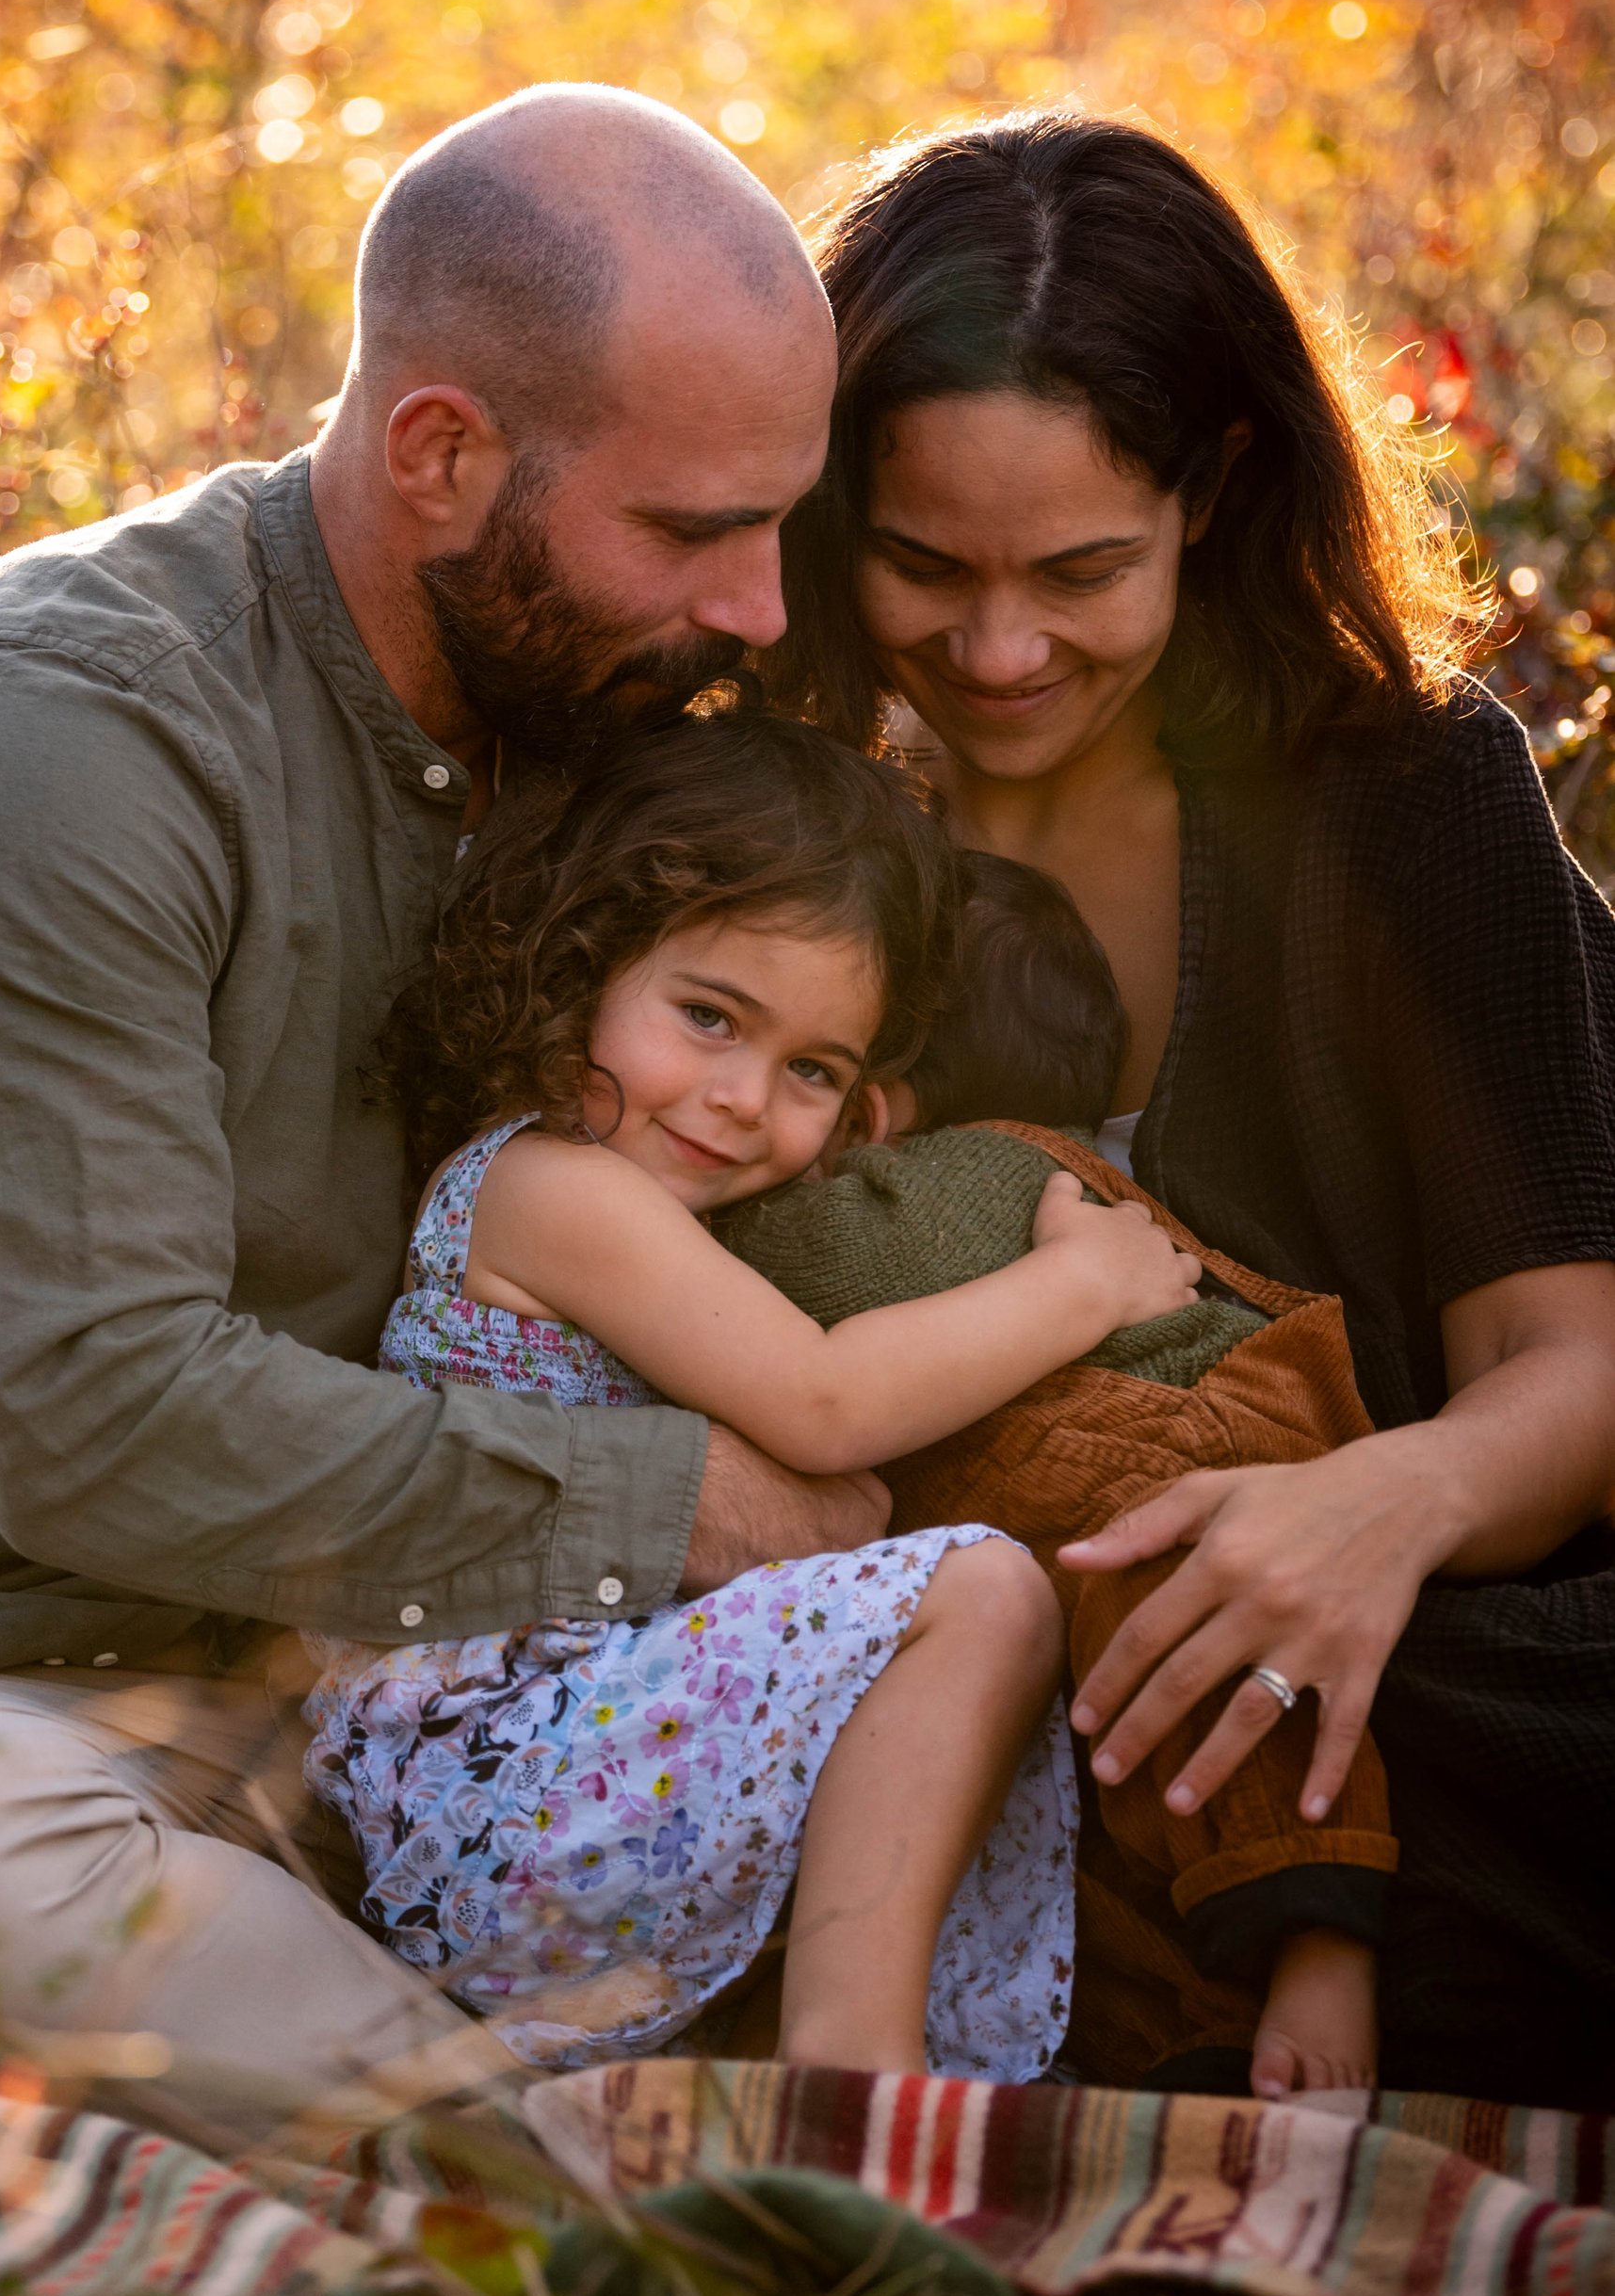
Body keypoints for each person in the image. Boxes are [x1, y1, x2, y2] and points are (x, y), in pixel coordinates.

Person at [0, 85, 891, 2140]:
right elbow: (97, 1415)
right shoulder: (58, 736)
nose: (757, 604)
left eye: (778, 521)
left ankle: (567, 2123)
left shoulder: (595, 728)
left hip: (373, 1708)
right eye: (686, 530)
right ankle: (539, 2184)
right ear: (438, 453)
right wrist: (682, 1508)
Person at [779, 108, 1615, 2104]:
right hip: (943, 1639)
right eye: (919, 565)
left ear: (1216, 492)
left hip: (1418, 1639)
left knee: (1351, 1723)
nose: (994, 650)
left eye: (1079, 572)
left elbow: (1567, 1367)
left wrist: (1362, 1513)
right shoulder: (773, 819)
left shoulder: (1399, 795)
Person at [307, 707, 1200, 2080]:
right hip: (493, 1796)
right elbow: (829, 1405)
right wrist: (1082, 1285)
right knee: (984, 1590)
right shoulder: (553, 1187)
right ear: (582, 959)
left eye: (812, 1072)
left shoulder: (661, 1199)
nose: (740, 1100)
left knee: (935, 1608)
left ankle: (815, 2044)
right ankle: (854, 2071)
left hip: (562, 1777)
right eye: (709, 1017)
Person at [725, 846, 1394, 2098]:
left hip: (1159, 1435)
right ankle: (1185, 2036)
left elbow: (829, 1277)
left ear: (877, 1104)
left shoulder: (977, 1172)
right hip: (1100, 1458)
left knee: (1198, 1643)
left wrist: (698, 1217)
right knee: (1100, 1790)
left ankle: (1319, 1929)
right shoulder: (1034, 1163)